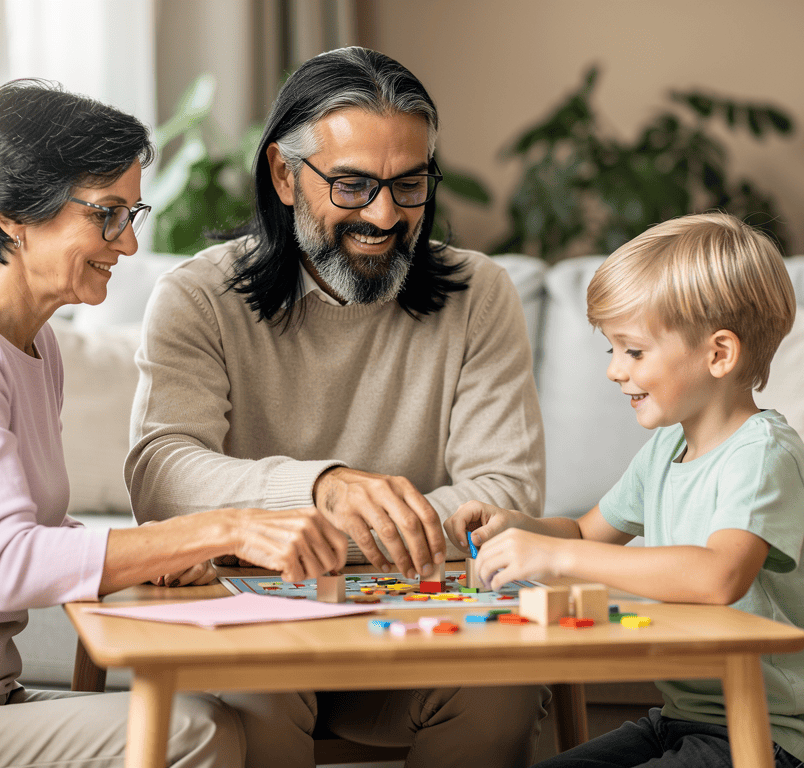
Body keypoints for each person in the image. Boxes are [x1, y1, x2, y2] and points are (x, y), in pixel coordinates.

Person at [0, 80, 349, 768]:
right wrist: (219, 526)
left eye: (132, 212)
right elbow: (9, 562)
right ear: (11, 215)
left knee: (220, 719)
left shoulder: (31, 341)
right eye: (108, 214)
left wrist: (166, 554)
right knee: (198, 732)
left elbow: (31, 530)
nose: (130, 242)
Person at [126, 47, 549, 767]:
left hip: (410, 625)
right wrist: (324, 488)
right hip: (256, 627)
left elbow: (504, 495)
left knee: (502, 690)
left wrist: (290, 541)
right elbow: (163, 476)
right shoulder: (196, 297)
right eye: (353, 186)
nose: (385, 215)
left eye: (409, 185)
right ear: (286, 177)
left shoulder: (482, 294)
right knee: (256, 694)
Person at [447, 212, 804, 768]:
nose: (615, 370)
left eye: (633, 351)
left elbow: (719, 575)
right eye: (612, 350)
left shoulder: (762, 456)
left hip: (773, 736)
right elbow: (587, 532)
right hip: (685, 720)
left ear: (718, 355)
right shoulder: (666, 451)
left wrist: (558, 555)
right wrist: (521, 528)